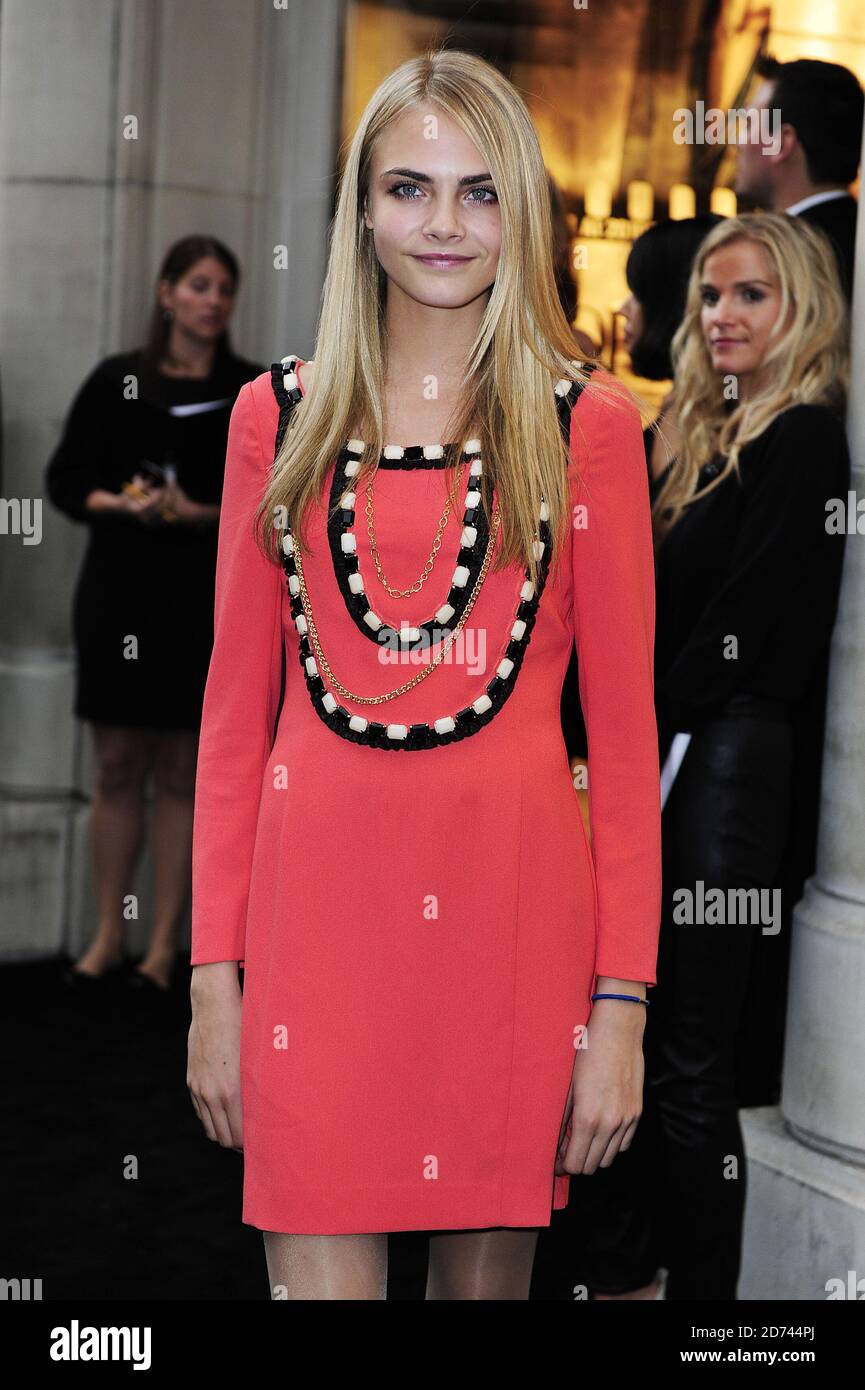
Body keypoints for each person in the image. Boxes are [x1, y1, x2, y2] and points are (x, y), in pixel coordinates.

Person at [186, 48, 662, 1301]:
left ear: (523, 211)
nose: (443, 224)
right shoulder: (271, 420)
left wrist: (621, 1007)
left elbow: (623, 747)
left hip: (511, 940)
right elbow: (236, 723)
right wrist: (212, 985)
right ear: (361, 209)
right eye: (409, 188)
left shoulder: (586, 427)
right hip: (312, 950)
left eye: (479, 190)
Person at [572, 212, 851, 1300]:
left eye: (751, 296)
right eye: (710, 296)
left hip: (728, 765)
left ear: (802, 312)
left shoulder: (803, 440)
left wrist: (625, 727)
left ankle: (691, 1296)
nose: (723, 316)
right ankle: (622, 1267)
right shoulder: (686, 430)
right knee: (622, 1022)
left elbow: (752, 629)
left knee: (690, 1052)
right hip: (665, 749)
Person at [45, 235, 263, 993]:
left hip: (200, 599)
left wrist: (195, 511)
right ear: (166, 294)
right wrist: (124, 502)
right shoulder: (117, 381)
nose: (213, 301)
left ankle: (165, 946)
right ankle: (108, 934)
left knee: (180, 771)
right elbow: (66, 481)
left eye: (225, 288)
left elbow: (271, 501)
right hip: (119, 589)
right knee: (115, 765)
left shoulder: (250, 390)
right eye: (199, 286)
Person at [561, 215, 723, 767]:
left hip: (681, 745)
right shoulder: (645, 424)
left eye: (641, 291)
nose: (625, 310)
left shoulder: (733, 445)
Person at [735, 55, 864, 301]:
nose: (736, 142)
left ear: (781, 142)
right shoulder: (852, 238)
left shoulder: (788, 256)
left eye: (749, 125)